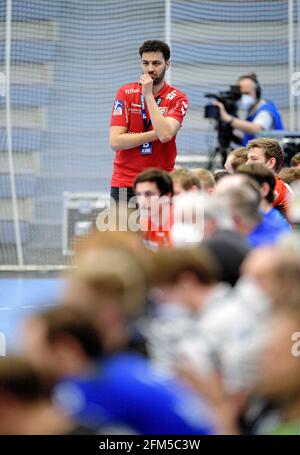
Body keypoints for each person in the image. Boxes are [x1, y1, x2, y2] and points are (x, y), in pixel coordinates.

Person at [109, 40, 189, 203]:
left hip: (161, 182)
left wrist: (148, 96)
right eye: (145, 63)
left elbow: (166, 135)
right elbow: (116, 141)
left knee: (159, 229)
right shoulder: (125, 92)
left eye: (156, 63)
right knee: (122, 229)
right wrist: (157, 133)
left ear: (167, 64)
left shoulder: (178, 98)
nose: (150, 69)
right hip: (125, 183)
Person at [215, 73, 283, 146]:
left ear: (257, 92)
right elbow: (252, 141)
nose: (244, 96)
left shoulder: (266, 110)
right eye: (241, 94)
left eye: (247, 93)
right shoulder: (251, 112)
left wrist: (227, 118)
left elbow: (257, 130)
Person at [246, 138, 291, 216]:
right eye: (248, 159)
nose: (247, 163)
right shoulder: (258, 185)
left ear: (270, 162)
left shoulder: (277, 187)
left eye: (254, 159)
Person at [134, 168, 174, 251]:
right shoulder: (143, 222)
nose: (142, 201)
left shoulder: (179, 225)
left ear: (166, 196)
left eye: (149, 194)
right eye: (138, 195)